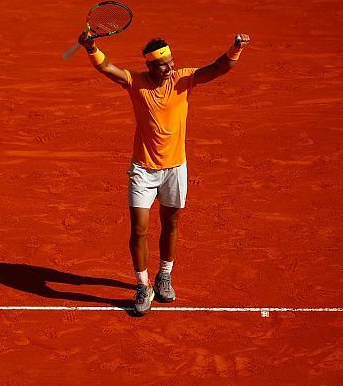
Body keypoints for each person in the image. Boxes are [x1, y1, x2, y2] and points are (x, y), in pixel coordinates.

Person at [77, 31, 251, 315]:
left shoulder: (184, 79)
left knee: (171, 224)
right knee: (139, 230)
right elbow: (107, 67)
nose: (169, 68)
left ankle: (165, 275)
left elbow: (219, 68)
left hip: (175, 169)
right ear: (149, 66)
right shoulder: (135, 82)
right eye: (162, 64)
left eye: (171, 62)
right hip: (142, 171)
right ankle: (143, 285)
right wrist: (91, 47)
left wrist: (236, 47)